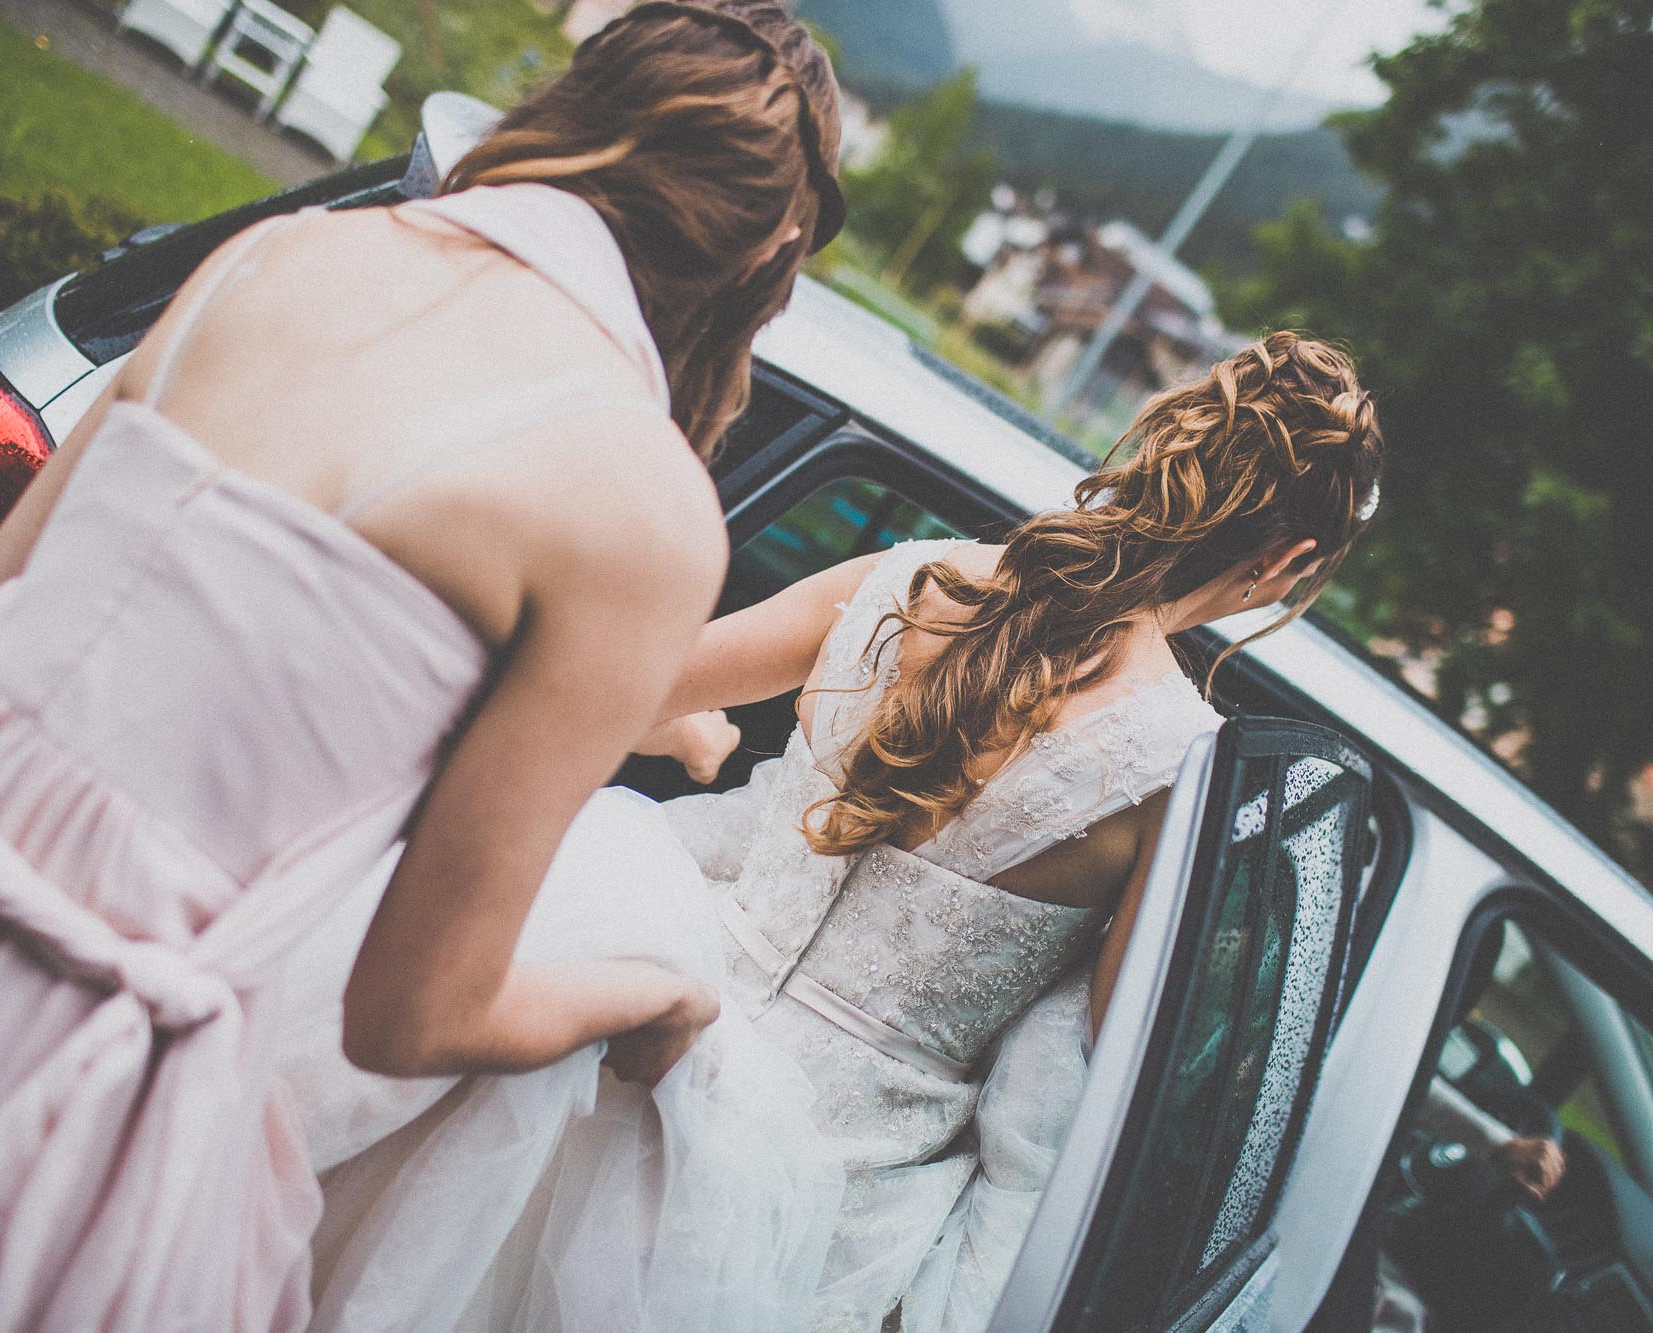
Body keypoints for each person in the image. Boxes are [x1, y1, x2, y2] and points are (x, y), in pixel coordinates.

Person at [0, 4, 842, 1327]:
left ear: (581, 102)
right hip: (51, 1100)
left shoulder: (277, 258)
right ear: (769, 253)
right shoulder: (647, 510)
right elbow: (410, 1014)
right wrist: (659, 995)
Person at [292, 332, 1386, 1331]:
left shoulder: (901, 579)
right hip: (821, 1207)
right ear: (1285, 562)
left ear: (1158, 449)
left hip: (613, 1042)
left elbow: (605, 693)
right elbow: (1108, 1057)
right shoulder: (1178, 769)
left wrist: (697, 738)